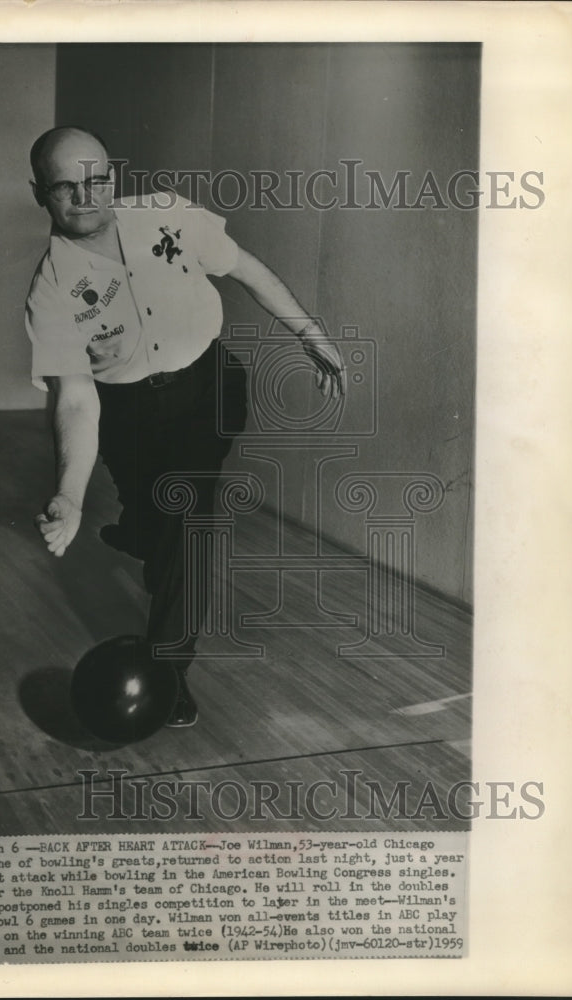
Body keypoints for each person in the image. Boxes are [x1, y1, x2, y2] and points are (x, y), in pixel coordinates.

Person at [25, 126, 345, 728]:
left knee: (188, 520)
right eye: (65, 186)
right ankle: (140, 531)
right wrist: (69, 495)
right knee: (160, 525)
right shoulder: (52, 292)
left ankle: (169, 672)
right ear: (40, 192)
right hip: (128, 416)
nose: (85, 196)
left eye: (96, 179)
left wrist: (309, 332)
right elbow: (76, 402)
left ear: (112, 176)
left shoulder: (167, 214)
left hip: (207, 394)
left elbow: (245, 268)